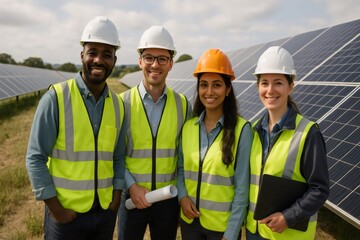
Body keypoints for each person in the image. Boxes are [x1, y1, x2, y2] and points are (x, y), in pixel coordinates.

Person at [25, 16, 125, 240]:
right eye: (92, 52)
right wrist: (57, 211)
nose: (98, 60)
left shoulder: (118, 106)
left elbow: (118, 157)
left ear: (114, 60)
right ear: (82, 55)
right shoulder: (56, 98)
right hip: (66, 217)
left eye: (106, 54)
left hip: (104, 215)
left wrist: (115, 199)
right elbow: (35, 157)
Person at [245, 46, 330, 240]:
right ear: (258, 86)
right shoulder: (252, 131)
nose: (270, 90)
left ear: (291, 85)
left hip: (287, 234)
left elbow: (320, 189)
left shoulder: (308, 133)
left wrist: (288, 217)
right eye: (264, 82)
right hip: (254, 231)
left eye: (278, 83)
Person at [118, 25, 192, 240]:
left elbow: (183, 158)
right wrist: (132, 186)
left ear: (171, 63)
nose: (154, 65)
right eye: (149, 57)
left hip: (167, 199)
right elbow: (115, 154)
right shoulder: (122, 103)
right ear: (140, 61)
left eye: (162, 59)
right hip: (131, 197)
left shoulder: (183, 105)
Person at [177, 48, 253, 240]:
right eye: (203, 85)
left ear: (228, 90)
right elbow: (180, 169)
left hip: (222, 229)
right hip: (190, 223)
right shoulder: (187, 128)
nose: (209, 92)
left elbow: (242, 190)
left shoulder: (242, 130)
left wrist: (231, 233)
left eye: (217, 85)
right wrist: (183, 197)